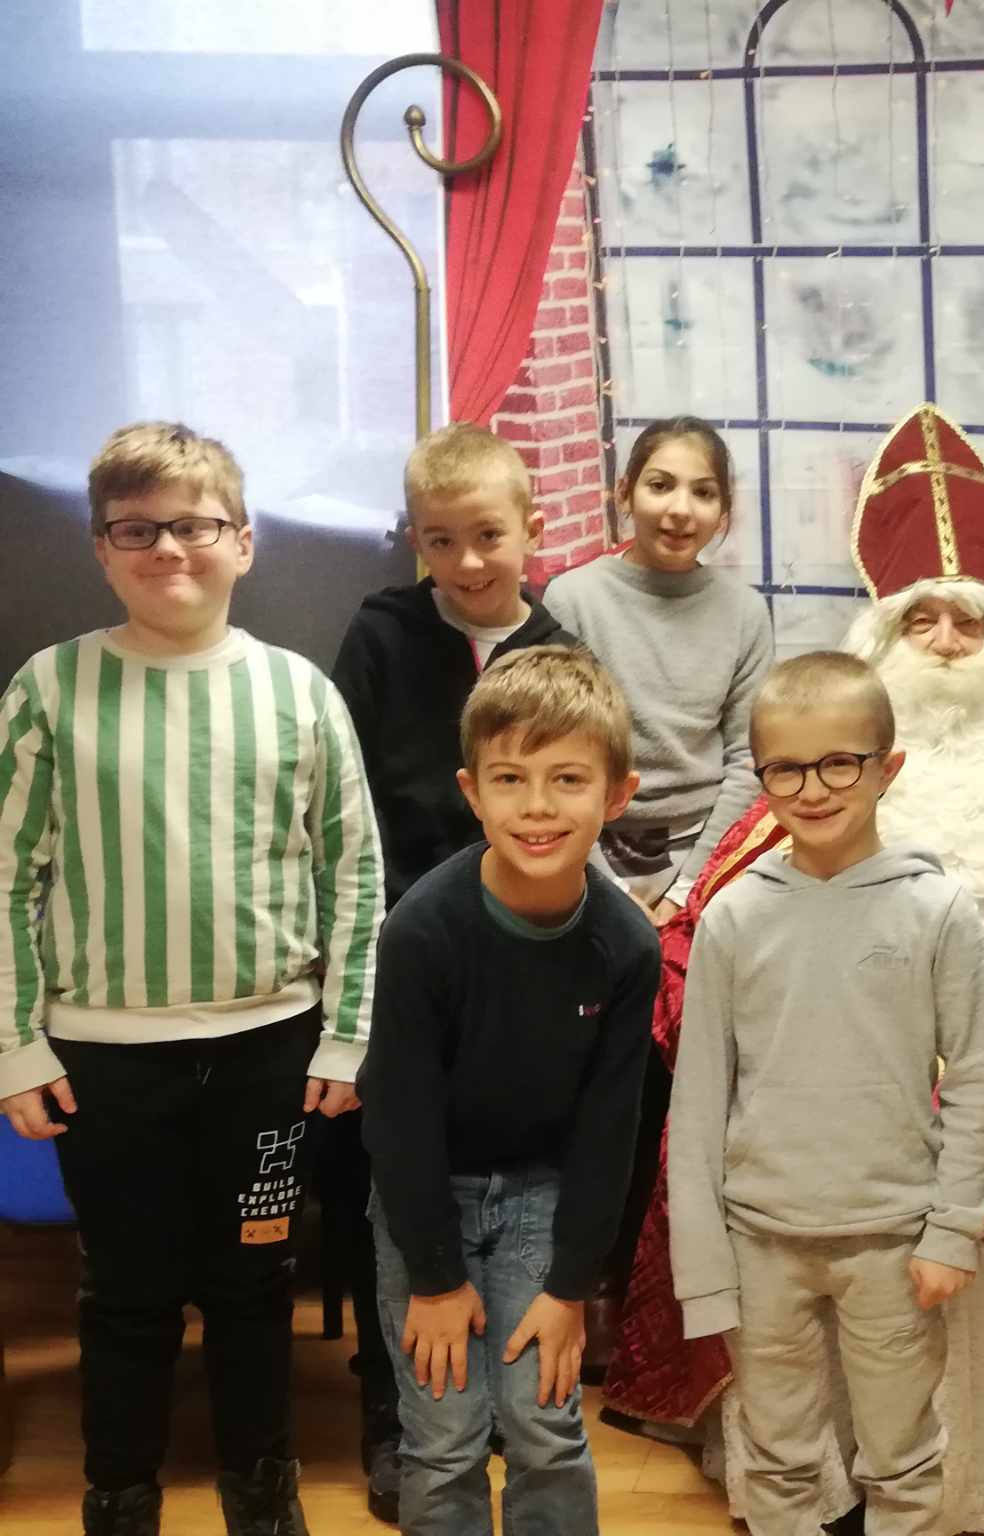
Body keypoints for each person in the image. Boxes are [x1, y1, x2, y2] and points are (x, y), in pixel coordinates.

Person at [601, 405, 984, 1534]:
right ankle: (816, 1482)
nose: (941, 641)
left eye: (965, 620)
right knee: (802, 1366)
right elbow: (728, 920)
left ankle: (970, 1466)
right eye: (917, 620)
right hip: (819, 1117)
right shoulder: (816, 783)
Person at [0, 421, 382, 1536]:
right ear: (102, 548)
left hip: (270, 1053)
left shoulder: (300, 694)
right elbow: (8, 880)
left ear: (244, 543)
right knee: (126, 1294)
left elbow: (355, 875)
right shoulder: (49, 689)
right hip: (103, 1059)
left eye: (195, 525)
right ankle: (119, 1495)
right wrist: (15, 1043)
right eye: (137, 529)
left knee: (256, 1285)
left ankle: (262, 1492)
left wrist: (347, 1034)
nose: (168, 548)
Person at [668, 651, 984, 1536]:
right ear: (760, 778)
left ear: (887, 767)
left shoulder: (938, 912)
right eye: (785, 768)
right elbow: (698, 1100)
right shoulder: (733, 916)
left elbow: (977, 1079)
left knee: (902, 1457)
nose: (812, 789)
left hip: (893, 1239)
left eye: (839, 763)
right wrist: (704, 1265)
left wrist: (953, 1230)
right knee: (776, 1455)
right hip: (760, 1241)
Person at [328, 421, 575, 1521]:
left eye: (487, 535)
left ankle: (507, 1405)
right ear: (414, 542)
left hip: (520, 959)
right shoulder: (383, 636)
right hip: (402, 950)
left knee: (510, 1182)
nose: (467, 562)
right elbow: (347, 802)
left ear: (531, 529)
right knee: (399, 1180)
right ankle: (395, 1414)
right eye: (440, 541)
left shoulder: (561, 647)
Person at [358, 645, 659, 1534]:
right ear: (472, 791)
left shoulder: (626, 946)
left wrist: (569, 1289)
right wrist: (436, 1279)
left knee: (544, 1427)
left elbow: (609, 1130)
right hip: (426, 1203)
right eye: (510, 779)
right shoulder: (422, 931)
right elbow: (400, 1120)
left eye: (568, 779)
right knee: (443, 1436)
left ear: (617, 795)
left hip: (545, 1198)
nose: (536, 807)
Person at [541, 416, 772, 915]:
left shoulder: (746, 612)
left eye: (703, 493)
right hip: (586, 846)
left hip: (706, 848)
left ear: (723, 512)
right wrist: (610, 890)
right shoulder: (572, 599)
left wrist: (687, 889)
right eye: (661, 486)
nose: (680, 510)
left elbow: (746, 760)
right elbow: (556, 755)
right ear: (624, 493)